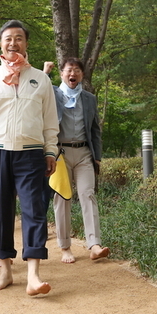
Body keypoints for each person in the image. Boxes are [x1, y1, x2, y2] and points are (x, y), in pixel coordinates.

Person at [0, 19, 59, 296]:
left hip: (30, 153)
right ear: (1, 45)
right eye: (8, 39)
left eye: (18, 38)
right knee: (0, 212)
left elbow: (50, 121)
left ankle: (33, 274)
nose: (13, 43)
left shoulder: (41, 79)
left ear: (26, 44)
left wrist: (50, 150)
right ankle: (5, 269)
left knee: (34, 210)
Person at [45, 59, 110, 264]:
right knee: (62, 199)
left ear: (82, 75)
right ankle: (65, 247)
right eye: (69, 70)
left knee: (87, 194)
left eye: (77, 71)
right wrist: (45, 73)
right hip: (60, 154)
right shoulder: (53, 93)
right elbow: (37, 92)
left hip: (83, 153)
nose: (73, 74)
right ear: (62, 74)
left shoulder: (89, 98)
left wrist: (97, 157)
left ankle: (94, 245)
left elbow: (95, 130)